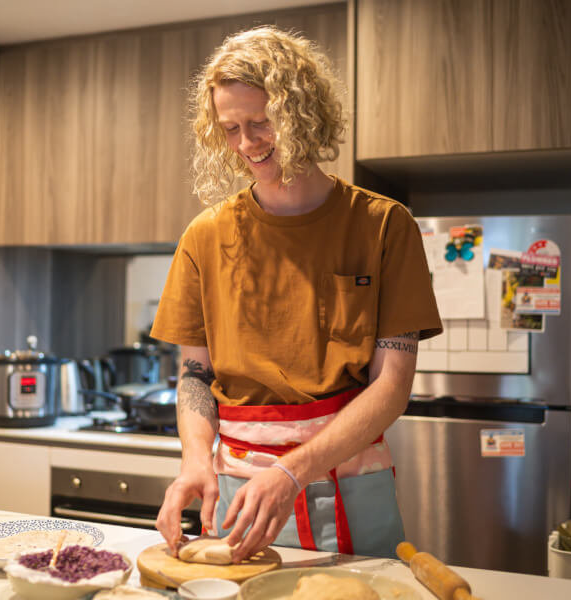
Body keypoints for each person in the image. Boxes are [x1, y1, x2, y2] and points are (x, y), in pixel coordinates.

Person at [150, 26, 442, 563]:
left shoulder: (383, 226)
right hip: (240, 492)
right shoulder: (204, 237)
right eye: (231, 128)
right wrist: (195, 460)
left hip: (352, 483)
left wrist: (292, 471)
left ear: (302, 109)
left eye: (261, 122)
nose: (246, 144)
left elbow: (392, 387)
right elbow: (195, 375)